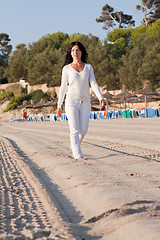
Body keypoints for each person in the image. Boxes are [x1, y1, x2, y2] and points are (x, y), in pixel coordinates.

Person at [57, 41, 104, 160]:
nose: (75, 52)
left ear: (81, 52)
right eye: (73, 50)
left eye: (77, 50)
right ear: (70, 53)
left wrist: (100, 98)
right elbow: (63, 87)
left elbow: (93, 83)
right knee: (74, 130)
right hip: (71, 102)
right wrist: (59, 105)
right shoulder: (66, 69)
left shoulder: (88, 67)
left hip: (85, 102)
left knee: (83, 130)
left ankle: (74, 145)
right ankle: (78, 155)